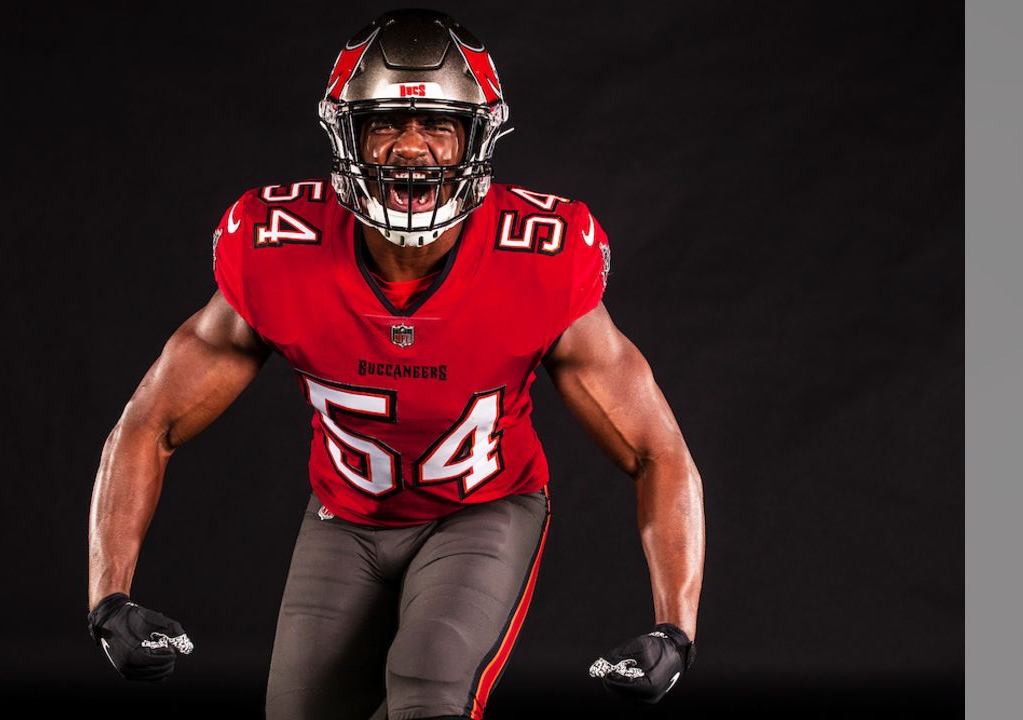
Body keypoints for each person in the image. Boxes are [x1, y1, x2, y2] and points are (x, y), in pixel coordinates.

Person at [87, 9, 705, 719]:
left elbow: (659, 452)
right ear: (345, 134)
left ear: (477, 138)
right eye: (384, 123)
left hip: (482, 510)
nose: (411, 148)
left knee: (426, 684)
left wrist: (675, 630)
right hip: (343, 516)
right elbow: (150, 423)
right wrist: (109, 599)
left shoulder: (539, 258)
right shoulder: (276, 249)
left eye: (438, 125)